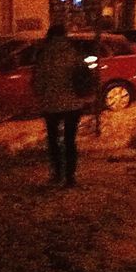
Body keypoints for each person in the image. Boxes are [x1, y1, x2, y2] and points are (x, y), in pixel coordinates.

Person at [31, 24, 96, 187]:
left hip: (51, 104)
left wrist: (41, 96)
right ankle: (70, 176)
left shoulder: (44, 54)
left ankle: (57, 173)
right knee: (70, 140)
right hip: (73, 104)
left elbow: (38, 81)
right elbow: (83, 75)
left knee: (53, 139)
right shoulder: (73, 52)